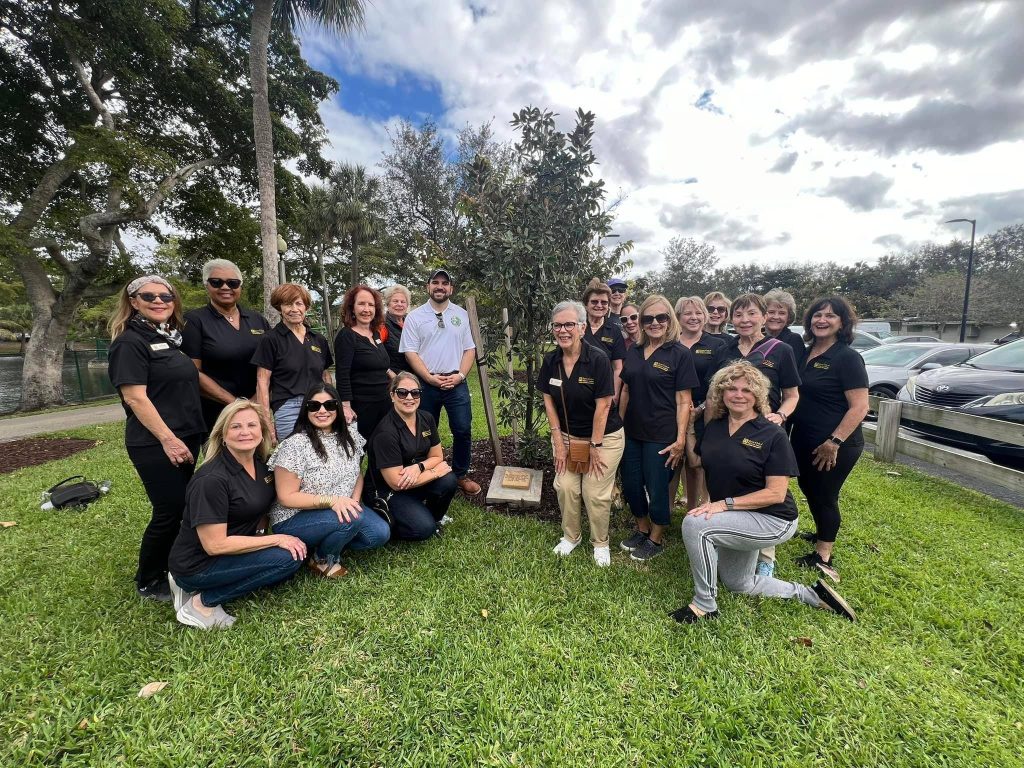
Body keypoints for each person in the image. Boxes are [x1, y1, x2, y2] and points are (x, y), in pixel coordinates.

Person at [670, 362, 857, 624]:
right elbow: (698, 462)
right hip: (740, 516)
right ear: (721, 393)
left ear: (758, 396)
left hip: (773, 519)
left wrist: (724, 505)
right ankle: (810, 594)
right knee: (739, 583)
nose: (738, 394)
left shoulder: (772, 434)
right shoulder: (716, 426)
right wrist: (690, 427)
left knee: (694, 524)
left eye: (747, 390)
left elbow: (775, 494)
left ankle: (704, 604)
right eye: (731, 388)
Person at [108, 275, 205, 601]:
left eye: (166, 295)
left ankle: (175, 564)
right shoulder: (129, 342)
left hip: (185, 436)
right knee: (170, 509)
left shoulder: (169, 338)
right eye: (148, 295)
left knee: (182, 507)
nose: (159, 300)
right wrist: (168, 438)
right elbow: (135, 398)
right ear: (133, 301)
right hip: (155, 442)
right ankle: (149, 579)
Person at [167, 401, 306, 629]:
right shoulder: (211, 480)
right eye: (235, 427)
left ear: (262, 432)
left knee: (287, 567)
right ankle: (201, 603)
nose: (245, 432)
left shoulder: (261, 466)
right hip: (199, 563)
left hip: (232, 551)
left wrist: (263, 535)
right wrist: (276, 539)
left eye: (252, 425)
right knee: (286, 560)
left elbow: (262, 505)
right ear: (222, 435)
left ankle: (194, 588)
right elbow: (215, 545)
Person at [715, 293, 801, 577]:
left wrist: (781, 415)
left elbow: (792, 395)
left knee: (765, 487)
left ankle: (766, 554)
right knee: (732, 479)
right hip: (731, 425)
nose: (744, 320)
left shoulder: (780, 350)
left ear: (764, 317)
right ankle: (731, 536)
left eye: (751, 314)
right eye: (738, 315)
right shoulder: (726, 350)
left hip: (766, 430)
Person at [267, 383, 390, 578]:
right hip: (295, 517)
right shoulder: (295, 445)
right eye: (314, 406)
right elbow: (286, 497)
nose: (322, 411)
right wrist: (334, 502)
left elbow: (356, 474)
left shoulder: (350, 436)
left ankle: (329, 536)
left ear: (338, 408)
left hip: (339, 507)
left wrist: (355, 502)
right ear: (306, 409)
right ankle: (322, 558)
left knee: (379, 534)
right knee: (352, 519)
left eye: (329, 405)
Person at [537, 301, 626, 567]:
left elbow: (604, 405)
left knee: (594, 491)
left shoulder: (597, 359)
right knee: (565, 486)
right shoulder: (551, 360)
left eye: (569, 324)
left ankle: (600, 542)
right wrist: (558, 441)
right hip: (566, 436)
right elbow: (547, 398)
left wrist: (595, 445)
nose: (563, 330)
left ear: (582, 327)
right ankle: (571, 537)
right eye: (557, 325)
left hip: (604, 437)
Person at [789, 296, 869, 581]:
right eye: (817, 315)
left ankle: (823, 554)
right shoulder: (806, 352)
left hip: (835, 444)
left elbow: (860, 406)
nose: (822, 320)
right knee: (808, 486)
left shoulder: (846, 357)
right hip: (804, 438)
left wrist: (834, 441)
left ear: (842, 323)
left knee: (825, 494)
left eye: (830, 316)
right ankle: (822, 532)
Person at [618, 295, 699, 561]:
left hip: (661, 435)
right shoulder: (633, 351)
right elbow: (626, 389)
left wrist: (679, 440)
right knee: (631, 484)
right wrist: (619, 426)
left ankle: (656, 537)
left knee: (657, 488)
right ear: (640, 323)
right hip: (632, 432)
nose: (654, 323)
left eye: (660, 317)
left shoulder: (679, 354)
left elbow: (684, 400)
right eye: (648, 318)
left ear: (669, 320)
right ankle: (641, 529)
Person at [399, 269, 481, 496]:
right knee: (424, 433)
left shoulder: (461, 315)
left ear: (451, 289)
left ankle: (460, 475)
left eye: (445, 283)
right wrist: (428, 377)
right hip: (426, 384)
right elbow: (410, 352)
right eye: (435, 282)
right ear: (428, 287)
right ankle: (427, 476)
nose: (440, 286)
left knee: (463, 429)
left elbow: (469, 349)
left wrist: (461, 376)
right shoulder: (415, 317)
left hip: (456, 382)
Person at [367, 373, 459, 541]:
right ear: (392, 395)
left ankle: (431, 517)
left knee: (449, 480)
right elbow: (396, 482)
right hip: (390, 491)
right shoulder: (386, 433)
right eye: (402, 393)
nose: (409, 398)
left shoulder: (426, 418)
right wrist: (434, 473)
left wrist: (419, 467)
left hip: (414, 479)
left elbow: (437, 456)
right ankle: (389, 522)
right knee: (423, 529)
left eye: (415, 393)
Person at [182, 259, 271, 431]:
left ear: (240, 286)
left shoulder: (257, 319)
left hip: (256, 409)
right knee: (222, 457)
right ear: (206, 285)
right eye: (217, 282)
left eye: (232, 283)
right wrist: (235, 404)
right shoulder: (194, 321)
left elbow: (272, 365)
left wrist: (255, 402)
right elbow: (193, 372)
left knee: (259, 457)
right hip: (217, 412)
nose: (225, 287)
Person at [251, 283, 333, 442]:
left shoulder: (318, 339)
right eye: (288, 304)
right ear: (279, 308)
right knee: (292, 458)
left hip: (318, 405)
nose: (294, 309)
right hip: (288, 407)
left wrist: (330, 404)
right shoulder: (270, 339)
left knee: (322, 455)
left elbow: (325, 376)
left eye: (299, 303)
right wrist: (266, 421)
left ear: (306, 307)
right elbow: (262, 382)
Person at [669, 296, 728, 513]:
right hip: (672, 410)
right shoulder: (669, 343)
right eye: (687, 313)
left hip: (705, 412)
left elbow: (721, 382)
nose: (693, 317)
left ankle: (693, 509)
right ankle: (666, 509)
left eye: (698, 313)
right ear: (678, 317)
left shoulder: (718, 344)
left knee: (696, 463)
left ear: (704, 317)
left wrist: (701, 408)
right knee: (672, 462)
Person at [333, 284, 393, 441]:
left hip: (384, 403)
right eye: (361, 304)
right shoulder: (346, 336)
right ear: (352, 308)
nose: (366, 309)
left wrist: (398, 378)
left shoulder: (375, 334)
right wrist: (345, 406)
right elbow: (342, 374)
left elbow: (381, 364)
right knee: (358, 450)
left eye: (371, 305)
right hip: (361, 406)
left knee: (381, 449)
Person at [582, 279, 627, 400]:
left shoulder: (614, 330)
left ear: (608, 306)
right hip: (578, 391)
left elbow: (618, 367)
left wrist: (614, 395)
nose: (599, 305)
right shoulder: (576, 327)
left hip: (604, 393)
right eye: (594, 302)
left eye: (604, 302)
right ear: (586, 305)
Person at [764, 288, 808, 369]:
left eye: (782, 313)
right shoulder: (756, 338)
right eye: (771, 312)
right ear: (763, 314)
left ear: (789, 317)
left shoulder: (794, 340)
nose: (776, 317)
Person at [382, 284, 411, 375]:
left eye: (403, 302)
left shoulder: (412, 323)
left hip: (412, 377)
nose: (399, 304)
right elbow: (375, 354)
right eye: (395, 301)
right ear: (388, 304)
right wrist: (389, 372)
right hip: (392, 379)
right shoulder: (382, 324)